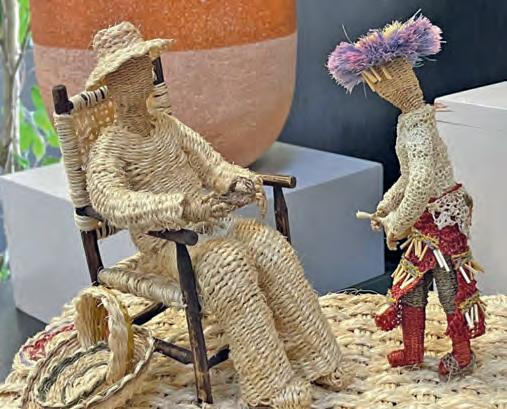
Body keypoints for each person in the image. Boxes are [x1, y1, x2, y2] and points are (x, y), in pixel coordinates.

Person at [85, 22, 347, 408]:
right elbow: (110, 201)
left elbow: (212, 164)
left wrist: (236, 181)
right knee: (228, 265)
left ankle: (315, 356)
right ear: (112, 84)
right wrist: (181, 207)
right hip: (169, 243)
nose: (141, 75)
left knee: (271, 248)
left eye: (142, 65)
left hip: (214, 222)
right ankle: (269, 384)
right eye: (129, 70)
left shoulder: (170, 127)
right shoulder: (109, 147)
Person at [328, 13, 485, 379]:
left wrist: (397, 221)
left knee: (448, 286)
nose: (380, 90)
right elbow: (410, 176)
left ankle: (462, 354)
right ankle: (413, 350)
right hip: (426, 221)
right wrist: (388, 204)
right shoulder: (412, 121)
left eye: (381, 82)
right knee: (411, 287)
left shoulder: (418, 128)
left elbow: (422, 182)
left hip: (440, 221)